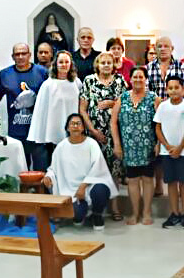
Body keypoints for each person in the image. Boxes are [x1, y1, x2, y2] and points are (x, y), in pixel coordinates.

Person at [42, 114, 119, 231]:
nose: (75, 126)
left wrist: (83, 186)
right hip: (70, 190)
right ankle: (80, 215)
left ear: (83, 128)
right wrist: (48, 177)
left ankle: (97, 215)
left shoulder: (91, 144)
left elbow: (98, 168)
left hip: (89, 185)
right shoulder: (61, 147)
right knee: (77, 214)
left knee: (102, 189)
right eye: (72, 124)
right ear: (67, 128)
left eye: (78, 123)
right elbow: (53, 169)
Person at [0, 43, 50, 170]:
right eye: (17, 54)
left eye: (23, 53)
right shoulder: (5, 74)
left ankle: (41, 191)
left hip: (38, 132)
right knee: (19, 170)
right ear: (12, 56)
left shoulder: (42, 73)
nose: (20, 57)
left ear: (29, 55)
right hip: (16, 133)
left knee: (41, 170)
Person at [80, 52, 128, 220]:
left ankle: (115, 207)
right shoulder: (89, 81)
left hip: (114, 134)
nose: (106, 65)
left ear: (113, 64)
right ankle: (94, 207)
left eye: (109, 62)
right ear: (97, 65)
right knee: (94, 170)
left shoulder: (120, 81)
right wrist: (93, 131)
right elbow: (82, 109)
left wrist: (112, 103)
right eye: (103, 63)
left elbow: (126, 104)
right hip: (94, 133)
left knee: (114, 171)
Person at [110, 67, 160, 225]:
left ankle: (146, 212)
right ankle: (135, 213)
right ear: (130, 79)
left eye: (141, 77)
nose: (138, 80)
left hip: (148, 146)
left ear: (146, 79)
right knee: (132, 180)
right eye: (135, 77)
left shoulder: (154, 98)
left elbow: (160, 123)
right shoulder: (122, 98)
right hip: (129, 147)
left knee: (147, 179)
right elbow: (113, 122)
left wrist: (159, 143)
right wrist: (117, 144)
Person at [154, 77, 184, 229]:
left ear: (182, 89)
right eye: (170, 88)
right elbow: (158, 128)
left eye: (176, 87)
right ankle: (174, 213)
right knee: (171, 183)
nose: (173, 90)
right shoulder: (163, 106)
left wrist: (179, 148)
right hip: (167, 151)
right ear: (166, 89)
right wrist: (167, 146)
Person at [28, 51, 81, 148]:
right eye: (61, 62)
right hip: (54, 129)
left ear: (71, 64)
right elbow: (41, 111)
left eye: (66, 62)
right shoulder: (48, 85)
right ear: (55, 64)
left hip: (74, 128)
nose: (64, 65)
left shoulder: (76, 83)